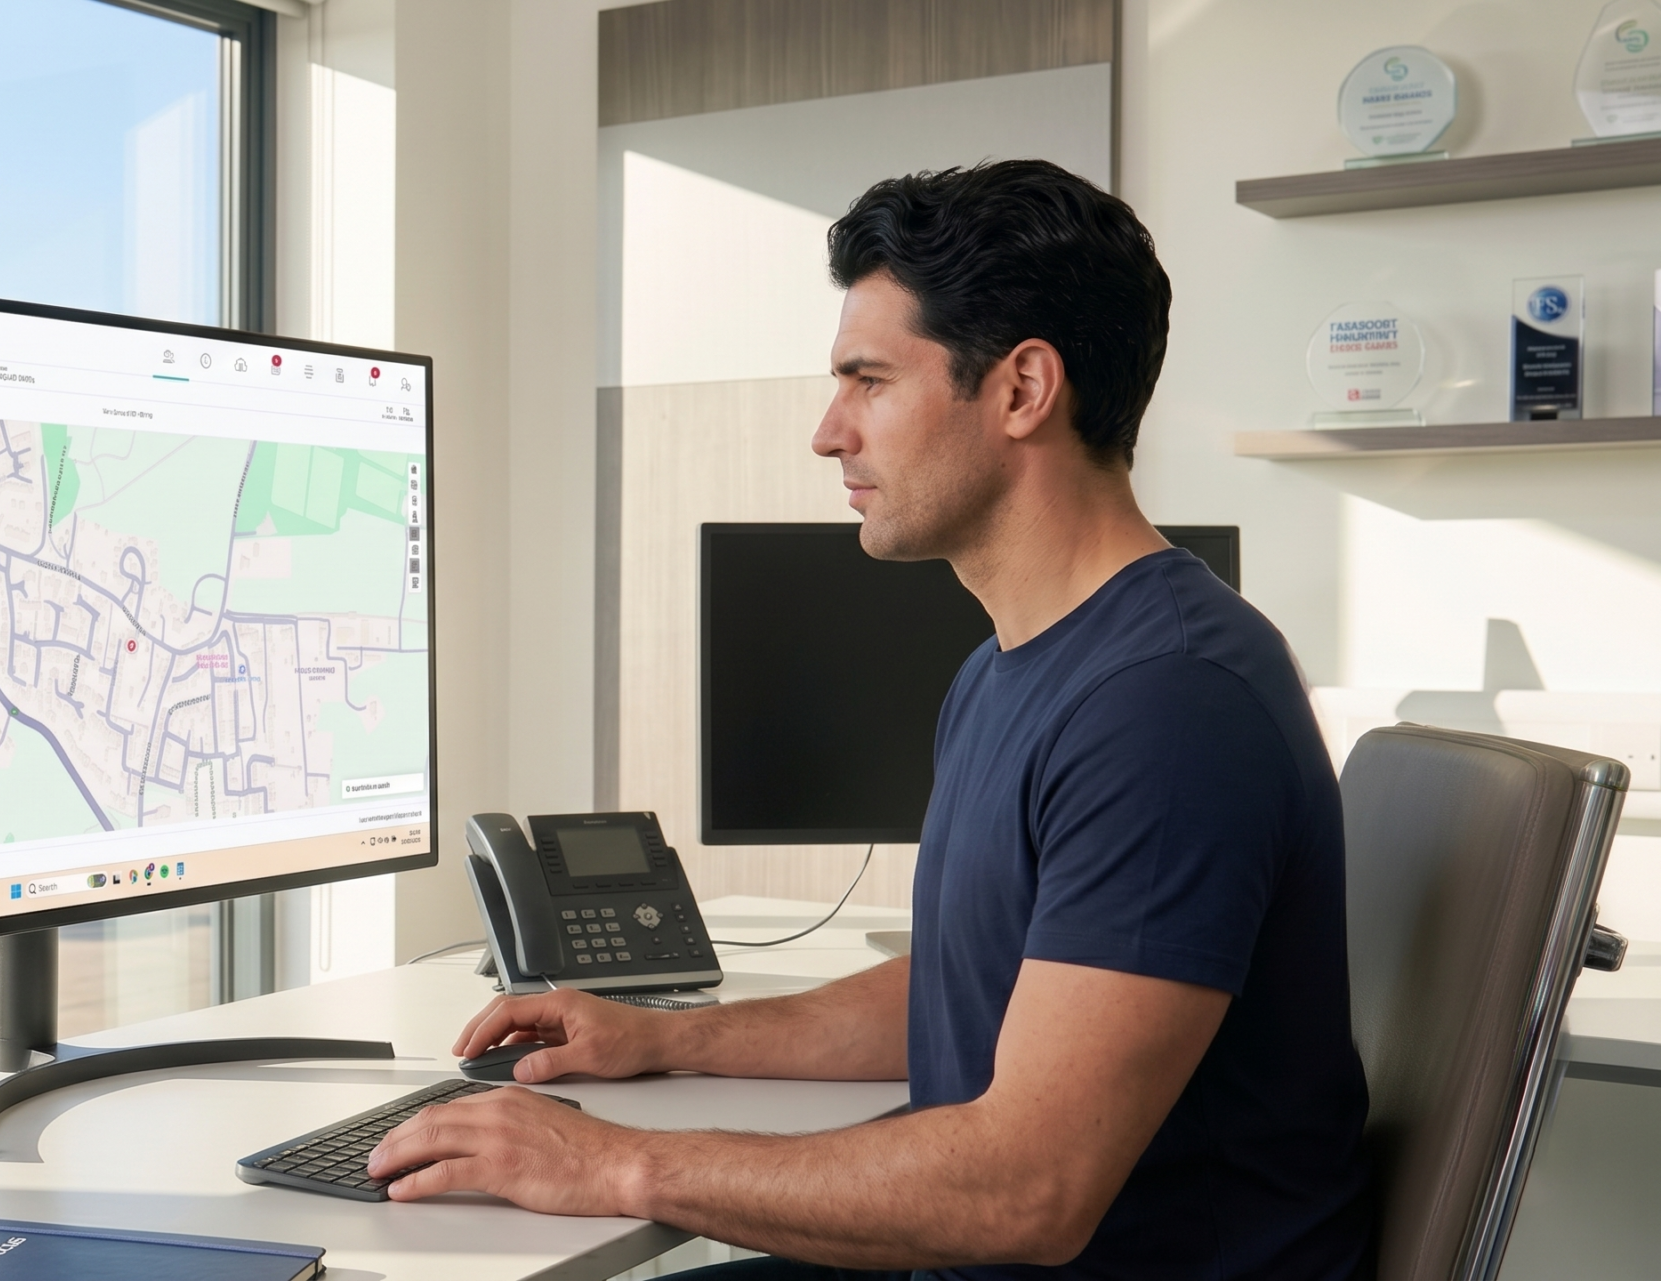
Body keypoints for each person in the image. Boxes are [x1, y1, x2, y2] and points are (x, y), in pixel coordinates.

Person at [367, 160, 1372, 1279]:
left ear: (1022, 390)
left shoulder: (1168, 704)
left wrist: (613, 1164)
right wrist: (661, 1037)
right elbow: (972, 990)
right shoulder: (1008, 669)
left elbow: (1022, 1192)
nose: (828, 431)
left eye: (867, 380)